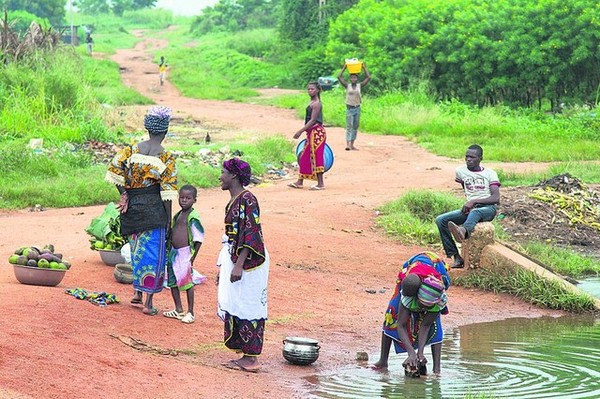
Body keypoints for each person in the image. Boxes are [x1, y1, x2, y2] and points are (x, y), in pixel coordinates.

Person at [105, 106, 178, 316]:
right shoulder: (166, 158)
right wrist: (168, 220)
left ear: (148, 128)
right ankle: (148, 303)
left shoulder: (131, 150)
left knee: (137, 252)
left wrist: (124, 193)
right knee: (154, 256)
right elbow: (168, 191)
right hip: (154, 211)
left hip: (132, 209)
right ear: (165, 131)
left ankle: (137, 293)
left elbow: (114, 168)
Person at [217, 158, 269, 372]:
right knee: (237, 301)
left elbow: (252, 234)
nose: (220, 176)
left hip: (249, 262)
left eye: (223, 172)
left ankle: (251, 359)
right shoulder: (236, 199)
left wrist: (238, 265)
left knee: (249, 303)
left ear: (234, 176)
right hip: (236, 258)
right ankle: (246, 353)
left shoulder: (248, 199)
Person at [371, 252, 450, 375]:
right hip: (411, 278)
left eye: (426, 307)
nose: (422, 309)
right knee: (392, 314)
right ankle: (383, 361)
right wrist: (411, 352)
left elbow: (425, 325)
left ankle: (437, 369)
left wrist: (420, 353)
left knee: (435, 324)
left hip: (434, 272)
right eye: (420, 305)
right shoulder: (408, 291)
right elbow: (401, 325)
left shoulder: (439, 300)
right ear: (415, 296)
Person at [435, 144, 501, 269]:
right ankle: (456, 257)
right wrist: (470, 202)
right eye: (467, 157)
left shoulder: (490, 173)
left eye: (472, 157)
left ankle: (463, 232)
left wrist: (474, 202)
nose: (468, 160)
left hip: (488, 208)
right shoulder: (460, 171)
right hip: (471, 209)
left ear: (480, 158)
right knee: (441, 220)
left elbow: (496, 198)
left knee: (475, 213)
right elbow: (467, 190)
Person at [163, 184, 204, 324]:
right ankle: (178, 309)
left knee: (186, 283)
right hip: (174, 253)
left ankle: (190, 312)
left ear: (194, 200)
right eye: (181, 197)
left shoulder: (193, 216)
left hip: (184, 254)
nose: (184, 200)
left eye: (188, 198)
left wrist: (192, 257)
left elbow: (198, 238)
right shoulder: (178, 215)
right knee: (173, 282)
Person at [289, 81, 327, 191]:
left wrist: (300, 131)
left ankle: (321, 184)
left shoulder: (317, 104)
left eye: (312, 89)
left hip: (317, 133)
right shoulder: (312, 102)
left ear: (318, 90)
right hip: (311, 133)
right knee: (304, 156)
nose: (310, 91)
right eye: (309, 89)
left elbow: (313, 120)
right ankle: (299, 182)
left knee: (316, 157)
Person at [337, 62, 370, 151]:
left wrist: (364, 68)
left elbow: (368, 78)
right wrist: (344, 67)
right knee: (349, 126)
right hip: (349, 109)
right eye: (352, 77)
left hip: (357, 108)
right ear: (350, 79)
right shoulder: (347, 86)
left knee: (355, 126)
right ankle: (347, 145)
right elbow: (339, 77)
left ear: (357, 79)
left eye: (355, 77)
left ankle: (352, 144)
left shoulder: (359, 86)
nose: (353, 79)